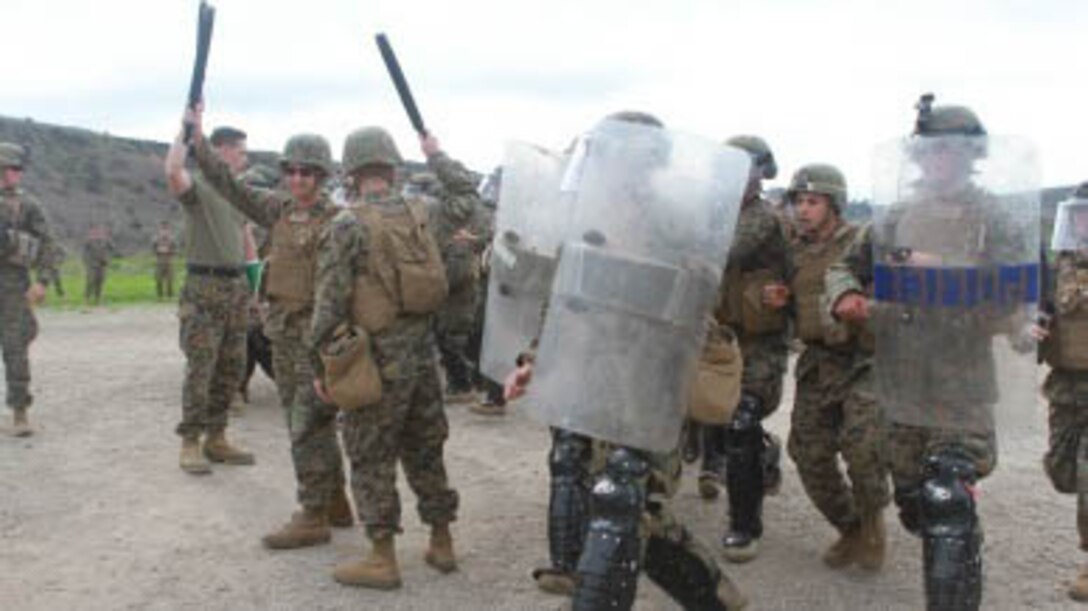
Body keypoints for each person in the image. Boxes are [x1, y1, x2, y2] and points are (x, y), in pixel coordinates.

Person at [512, 111, 748, 610]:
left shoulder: (676, 217)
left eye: (627, 159)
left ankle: (713, 597)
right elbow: (567, 303)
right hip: (595, 376)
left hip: (652, 378)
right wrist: (539, 361)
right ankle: (716, 598)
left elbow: (705, 294)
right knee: (626, 506)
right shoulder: (585, 215)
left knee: (632, 505)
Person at [827, 95, 1038, 610]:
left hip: (960, 378)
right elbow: (844, 265)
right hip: (900, 379)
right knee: (915, 501)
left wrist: (941, 266)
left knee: (948, 497)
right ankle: (949, 537)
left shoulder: (994, 216)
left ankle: (957, 551)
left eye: (950, 151)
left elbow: (1019, 286)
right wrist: (844, 295)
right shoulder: (896, 215)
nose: (938, 160)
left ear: (971, 157)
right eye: (930, 151)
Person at [184, 105, 352, 546]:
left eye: (306, 172)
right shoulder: (278, 210)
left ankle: (313, 514)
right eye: (290, 171)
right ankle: (333, 498)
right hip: (285, 335)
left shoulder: (339, 222)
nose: (296, 179)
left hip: (320, 338)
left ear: (323, 175)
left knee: (307, 423)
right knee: (308, 421)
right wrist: (197, 140)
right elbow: (227, 185)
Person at [309, 126, 462, 590]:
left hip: (374, 360)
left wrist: (324, 368)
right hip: (422, 355)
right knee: (425, 446)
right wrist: (438, 155)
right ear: (392, 168)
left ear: (351, 173)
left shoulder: (346, 225)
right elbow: (466, 201)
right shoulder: (424, 212)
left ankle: (381, 556)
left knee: (370, 453)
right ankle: (441, 540)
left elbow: (329, 302)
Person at [780, 163, 888, 570]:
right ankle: (851, 527)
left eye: (812, 202)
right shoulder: (795, 250)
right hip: (816, 361)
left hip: (864, 361)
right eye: (798, 202)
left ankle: (874, 523)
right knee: (808, 451)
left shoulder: (859, 244)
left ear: (835, 205)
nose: (802, 210)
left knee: (863, 450)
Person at [708, 135, 790, 563]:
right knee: (712, 419)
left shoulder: (761, 218)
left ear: (759, 176)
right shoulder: (712, 212)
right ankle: (764, 453)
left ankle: (744, 527)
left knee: (739, 423)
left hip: (760, 343)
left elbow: (725, 248)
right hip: (718, 338)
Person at [164, 122, 255, 475]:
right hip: (204, 286)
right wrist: (188, 132)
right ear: (221, 150)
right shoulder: (198, 187)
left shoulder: (236, 191)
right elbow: (173, 170)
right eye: (242, 151)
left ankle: (217, 437)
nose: (245, 158)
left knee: (231, 366)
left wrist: (255, 286)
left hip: (236, 289)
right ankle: (190, 441)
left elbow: (247, 240)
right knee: (201, 367)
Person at [1035, 182, 1088, 601]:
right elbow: (1045, 307)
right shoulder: (1061, 264)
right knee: (1063, 471)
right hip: (1066, 383)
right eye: (1078, 214)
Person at [0, 142, 57, 437]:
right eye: (12, 168)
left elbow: (47, 243)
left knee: (15, 347)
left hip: (12, 283)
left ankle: (20, 411)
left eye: (17, 169)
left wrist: (42, 280)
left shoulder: (28, 205)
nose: (16, 174)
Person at [82, 224, 114, 306]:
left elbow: (112, 249)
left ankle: (98, 300)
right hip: (92, 265)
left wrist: (108, 259)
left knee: (100, 282)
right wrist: (87, 263)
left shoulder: (105, 241)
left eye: (99, 232)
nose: (98, 234)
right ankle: (86, 299)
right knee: (90, 282)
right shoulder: (88, 242)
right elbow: (84, 254)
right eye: (95, 232)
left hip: (102, 265)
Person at [152, 220, 178, 300]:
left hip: (169, 259)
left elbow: (175, 248)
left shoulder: (172, 238)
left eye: (166, 228)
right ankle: (160, 295)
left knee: (170, 278)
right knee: (158, 277)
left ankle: (170, 295)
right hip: (159, 258)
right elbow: (153, 248)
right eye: (162, 228)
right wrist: (157, 252)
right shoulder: (156, 238)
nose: (164, 231)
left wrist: (171, 252)